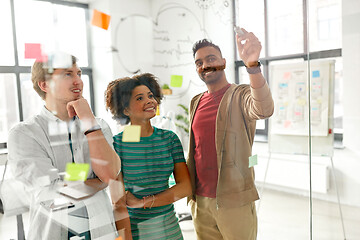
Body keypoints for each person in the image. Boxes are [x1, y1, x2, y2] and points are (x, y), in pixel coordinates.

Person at [5, 53, 130, 240]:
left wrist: (88, 120)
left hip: (99, 229)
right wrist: (98, 182)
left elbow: (111, 175)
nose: (78, 80)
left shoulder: (98, 125)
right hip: (53, 231)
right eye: (67, 74)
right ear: (44, 84)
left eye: (79, 73)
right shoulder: (24, 133)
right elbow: (50, 192)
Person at [187, 28, 274, 239]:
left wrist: (252, 66)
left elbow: (263, 109)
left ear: (224, 62)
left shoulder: (241, 94)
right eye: (199, 62)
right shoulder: (195, 102)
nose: (205, 65)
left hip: (234, 200)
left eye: (210, 59)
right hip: (201, 201)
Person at [105, 73, 191, 240]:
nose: (150, 101)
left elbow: (186, 187)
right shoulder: (116, 145)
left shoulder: (169, 139)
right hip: (136, 233)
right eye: (139, 98)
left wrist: (143, 202)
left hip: (171, 230)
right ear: (125, 109)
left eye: (150, 96)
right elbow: (118, 203)